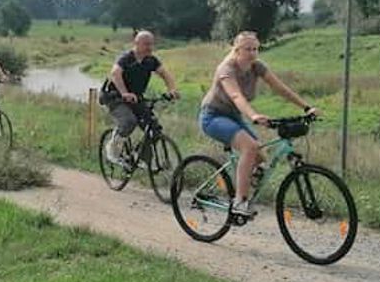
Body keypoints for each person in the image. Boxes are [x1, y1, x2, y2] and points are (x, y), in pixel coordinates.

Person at [198, 31, 317, 217]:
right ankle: (239, 202)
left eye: (255, 49)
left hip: (234, 116)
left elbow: (280, 87)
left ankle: (243, 182)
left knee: (260, 156)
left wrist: (306, 107)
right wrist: (253, 115)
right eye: (248, 49)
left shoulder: (257, 66)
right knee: (250, 147)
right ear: (237, 50)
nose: (252, 53)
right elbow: (236, 96)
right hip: (213, 116)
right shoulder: (226, 69)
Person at [100, 31, 180, 167]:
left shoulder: (151, 60)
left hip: (135, 98)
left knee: (154, 129)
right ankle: (112, 148)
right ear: (136, 43)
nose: (149, 47)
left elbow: (165, 74)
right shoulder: (126, 58)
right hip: (115, 97)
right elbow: (115, 73)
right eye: (146, 44)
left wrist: (172, 90)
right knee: (129, 121)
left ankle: (141, 157)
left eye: (151, 44)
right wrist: (124, 93)